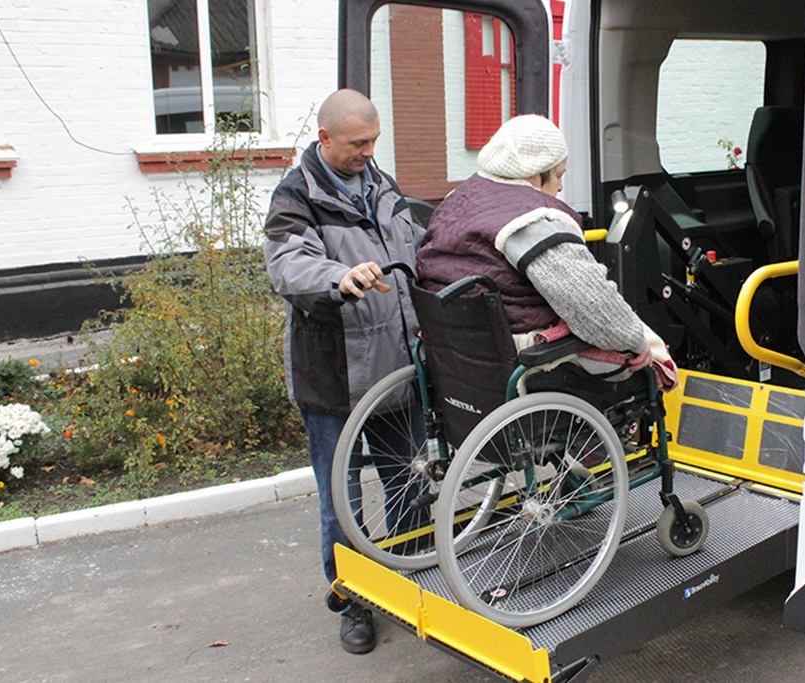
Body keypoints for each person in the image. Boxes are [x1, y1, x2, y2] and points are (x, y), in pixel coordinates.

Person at [263, 88, 424, 655]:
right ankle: (354, 598)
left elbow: (416, 245)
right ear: (325, 138)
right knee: (343, 501)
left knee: (410, 480)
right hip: (333, 377)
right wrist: (339, 276)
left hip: (396, 369)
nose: (369, 151)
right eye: (359, 143)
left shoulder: (381, 185)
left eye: (374, 141)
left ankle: (407, 578)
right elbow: (287, 264)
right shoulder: (295, 196)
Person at [416, 114, 657, 380]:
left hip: (454, 351)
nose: (561, 186)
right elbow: (590, 303)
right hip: (517, 355)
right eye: (558, 175)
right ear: (534, 173)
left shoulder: (457, 200)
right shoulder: (534, 220)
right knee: (639, 366)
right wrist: (636, 341)